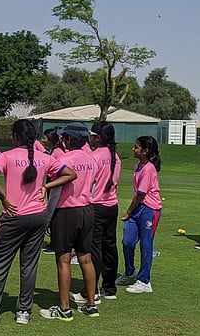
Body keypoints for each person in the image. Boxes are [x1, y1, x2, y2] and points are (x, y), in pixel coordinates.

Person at [0, 119, 76, 326]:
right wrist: (46, 187)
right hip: (38, 217)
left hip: (13, 216)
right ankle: (24, 312)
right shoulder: (45, 158)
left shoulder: (6, 156)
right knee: (29, 265)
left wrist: (4, 198)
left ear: (15, 137)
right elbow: (70, 174)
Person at [39, 122, 99, 322]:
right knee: (86, 258)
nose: (62, 140)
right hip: (87, 210)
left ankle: (64, 309)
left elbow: (56, 192)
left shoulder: (64, 160)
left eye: (64, 137)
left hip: (67, 212)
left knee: (63, 260)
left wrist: (48, 218)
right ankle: (91, 305)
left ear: (69, 139)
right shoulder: (91, 160)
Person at [70, 121, 121, 305]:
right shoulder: (116, 156)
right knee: (110, 246)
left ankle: (91, 291)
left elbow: (89, 181)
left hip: (97, 205)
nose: (91, 138)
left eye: (93, 135)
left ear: (99, 138)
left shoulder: (95, 156)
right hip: (112, 205)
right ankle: (109, 287)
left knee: (95, 248)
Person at [115, 136, 162, 294]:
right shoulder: (138, 165)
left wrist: (128, 212)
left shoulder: (149, 168)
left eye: (136, 147)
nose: (133, 149)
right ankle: (130, 273)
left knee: (146, 245)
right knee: (127, 241)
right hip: (138, 208)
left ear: (145, 151)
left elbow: (141, 194)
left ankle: (144, 281)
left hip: (149, 209)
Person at [41, 127, 66, 255]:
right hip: (52, 184)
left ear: (50, 139)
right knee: (51, 213)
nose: (42, 140)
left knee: (54, 214)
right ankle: (53, 241)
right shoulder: (52, 151)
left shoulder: (57, 152)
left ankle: (55, 243)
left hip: (56, 186)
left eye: (44, 138)